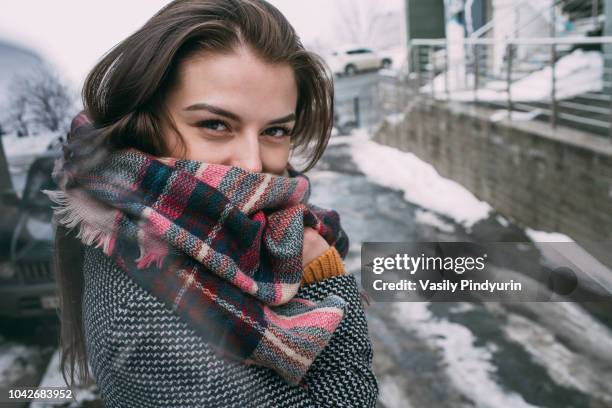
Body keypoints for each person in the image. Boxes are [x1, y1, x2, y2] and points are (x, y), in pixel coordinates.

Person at [47, 0, 378, 406]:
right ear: (144, 124)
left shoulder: (232, 232)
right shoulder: (142, 319)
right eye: (216, 124)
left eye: (275, 130)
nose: (252, 163)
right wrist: (324, 273)